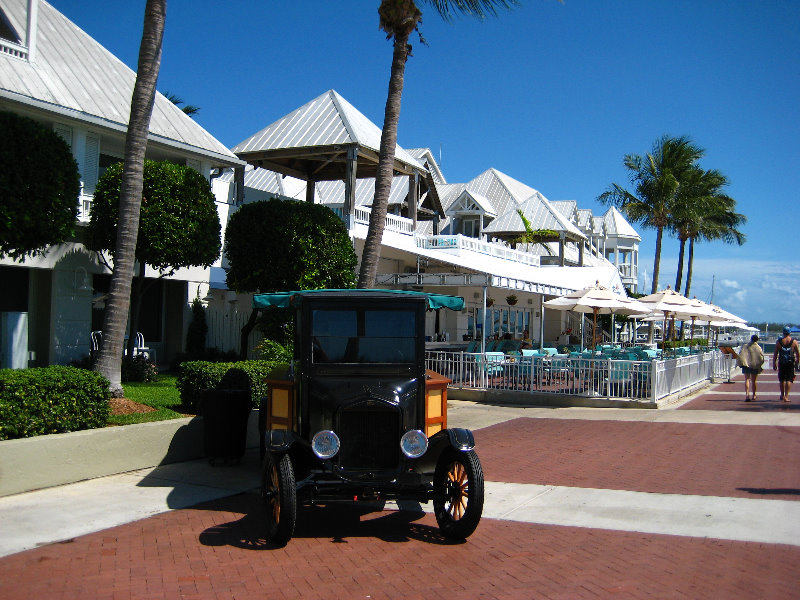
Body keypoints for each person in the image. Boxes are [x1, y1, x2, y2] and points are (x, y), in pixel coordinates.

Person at [773, 326, 800, 403]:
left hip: (781, 362)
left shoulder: (779, 342)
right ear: (789, 332)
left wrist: (774, 363)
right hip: (790, 362)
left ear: (783, 332)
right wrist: (797, 361)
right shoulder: (794, 342)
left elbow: (775, 353)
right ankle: (786, 396)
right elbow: (798, 353)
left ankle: (782, 394)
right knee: (789, 379)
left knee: (781, 379)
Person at [737, 334, 764, 401]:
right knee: (754, 381)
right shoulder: (758, 347)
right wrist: (759, 365)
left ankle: (747, 395)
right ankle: (754, 395)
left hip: (746, 364)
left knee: (747, 380)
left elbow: (741, 355)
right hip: (755, 365)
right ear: (757, 340)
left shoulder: (745, 346)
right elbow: (761, 357)